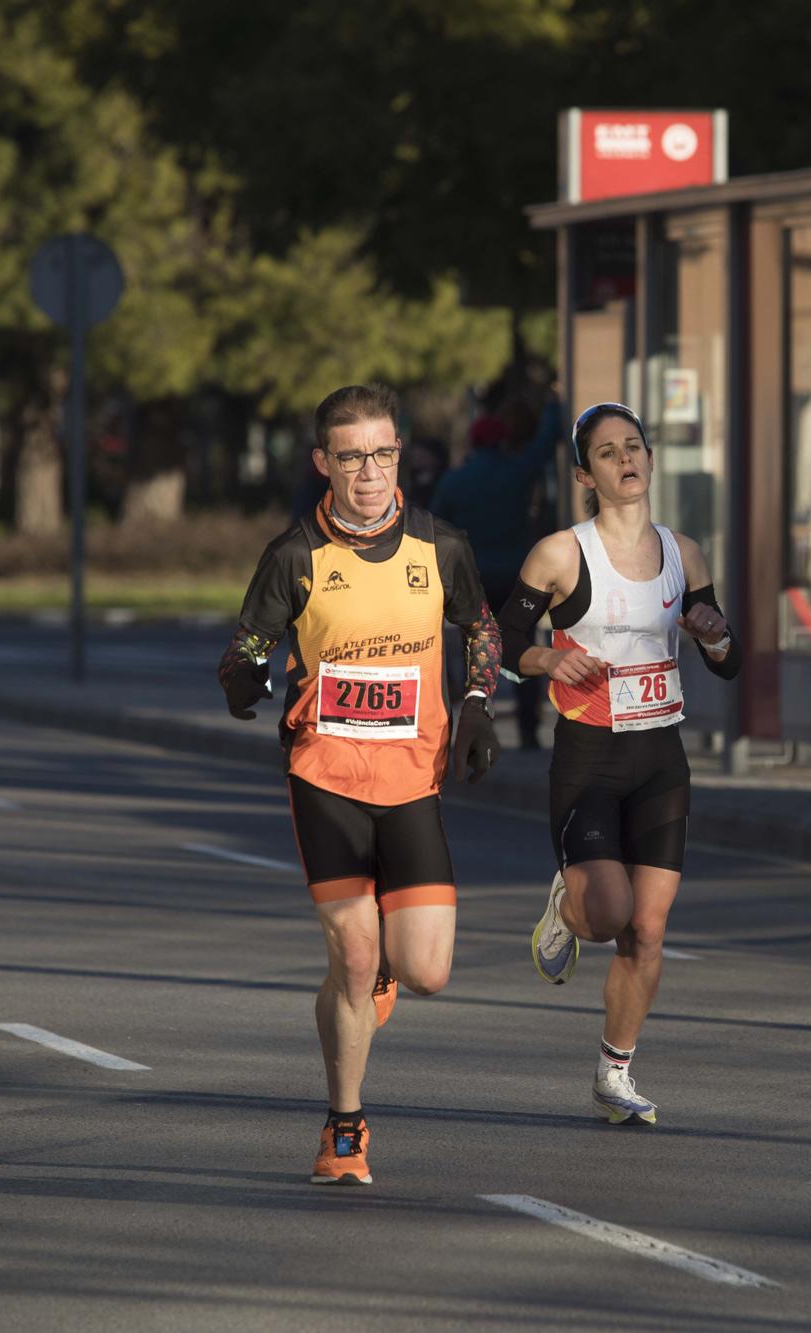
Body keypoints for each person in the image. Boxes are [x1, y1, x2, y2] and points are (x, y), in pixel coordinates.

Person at [217, 383, 501, 1187]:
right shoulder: (296, 555)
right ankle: (345, 1127)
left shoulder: (440, 546)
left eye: (382, 453)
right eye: (351, 456)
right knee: (350, 950)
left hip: (414, 779)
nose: (369, 471)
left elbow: (480, 622)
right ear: (324, 463)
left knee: (427, 971)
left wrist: (477, 702)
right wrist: (243, 678)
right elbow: (246, 647)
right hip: (326, 777)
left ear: (398, 454)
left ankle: (377, 969)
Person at [501, 402, 741, 1125]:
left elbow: (724, 659)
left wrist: (714, 636)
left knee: (650, 930)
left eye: (633, 446)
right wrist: (549, 655)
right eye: (606, 452)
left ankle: (615, 1070)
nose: (625, 459)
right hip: (589, 757)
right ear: (585, 473)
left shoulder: (684, 552)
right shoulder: (560, 554)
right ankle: (567, 904)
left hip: (660, 756)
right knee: (608, 915)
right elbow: (500, 637)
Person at [432, 389, 564, 749]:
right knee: (523, 649)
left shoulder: (455, 481)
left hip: (473, 580)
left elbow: (435, 527)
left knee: (477, 649)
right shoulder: (516, 470)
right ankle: (527, 729)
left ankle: (475, 723)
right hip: (517, 577)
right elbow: (542, 448)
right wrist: (553, 407)